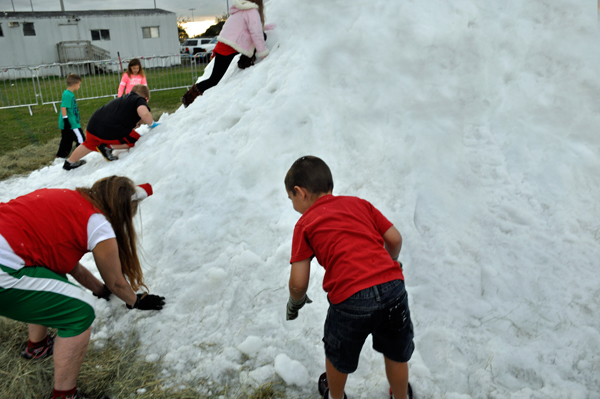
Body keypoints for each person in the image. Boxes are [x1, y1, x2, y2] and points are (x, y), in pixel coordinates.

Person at [0, 175, 166, 399]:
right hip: (4, 268)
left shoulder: (70, 200)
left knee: (51, 286)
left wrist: (100, 290)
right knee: (80, 311)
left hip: (8, 250)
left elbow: (70, 266)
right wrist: (135, 300)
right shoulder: (98, 224)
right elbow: (116, 281)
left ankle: (37, 346)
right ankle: (65, 395)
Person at [284, 156, 414, 399]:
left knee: (337, 355)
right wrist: (391, 262)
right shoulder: (360, 204)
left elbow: (299, 283)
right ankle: (400, 396)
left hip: (351, 299)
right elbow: (394, 239)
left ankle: (336, 396)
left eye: (291, 199)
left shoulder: (305, 224)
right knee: (396, 352)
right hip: (393, 289)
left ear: (300, 193)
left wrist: (295, 302)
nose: (292, 204)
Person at [181, 0, 270, 107]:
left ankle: (244, 61)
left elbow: (232, 31)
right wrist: (263, 55)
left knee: (213, 79)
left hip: (224, 46)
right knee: (213, 80)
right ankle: (189, 98)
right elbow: (256, 34)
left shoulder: (239, 11)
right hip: (227, 49)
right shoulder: (251, 11)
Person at [63, 84, 159, 170]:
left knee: (89, 144)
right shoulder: (139, 100)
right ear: (145, 98)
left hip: (93, 125)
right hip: (109, 128)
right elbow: (144, 112)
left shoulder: (124, 100)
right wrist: (152, 124)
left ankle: (70, 162)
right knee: (137, 140)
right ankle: (107, 147)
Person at [56, 74, 85, 158]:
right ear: (75, 84)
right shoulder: (68, 95)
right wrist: (66, 120)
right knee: (81, 140)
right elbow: (63, 107)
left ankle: (60, 156)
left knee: (66, 141)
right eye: (79, 85)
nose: (79, 86)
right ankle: (78, 157)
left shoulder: (68, 93)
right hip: (71, 123)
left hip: (72, 121)